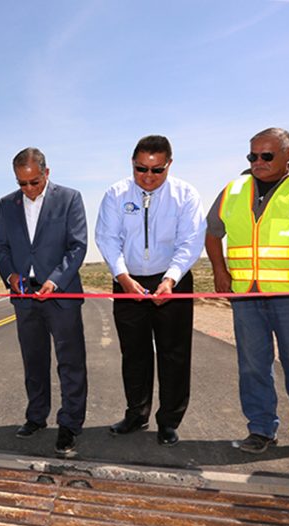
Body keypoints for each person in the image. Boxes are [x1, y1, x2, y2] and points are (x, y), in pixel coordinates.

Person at [205, 127, 289, 465]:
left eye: (266, 156)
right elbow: (212, 233)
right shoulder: (233, 188)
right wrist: (220, 272)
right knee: (253, 366)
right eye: (252, 156)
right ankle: (261, 429)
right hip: (246, 297)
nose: (258, 162)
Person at [95, 135, 206, 447]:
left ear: (169, 164)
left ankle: (169, 420)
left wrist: (170, 279)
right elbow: (107, 238)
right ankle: (136, 414)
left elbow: (190, 241)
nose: (147, 177)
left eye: (157, 171)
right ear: (132, 163)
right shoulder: (116, 194)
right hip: (128, 280)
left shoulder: (185, 195)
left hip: (172, 280)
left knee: (174, 353)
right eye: (140, 169)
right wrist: (123, 277)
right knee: (134, 352)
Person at [0, 147, 88, 457]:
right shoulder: (7, 205)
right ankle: (36, 416)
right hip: (25, 296)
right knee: (33, 361)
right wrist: (10, 276)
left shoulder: (70, 198)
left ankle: (70, 424)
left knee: (70, 363)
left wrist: (55, 279)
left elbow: (77, 246)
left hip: (60, 294)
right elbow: (1, 247)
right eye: (22, 183)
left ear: (47, 173)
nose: (29, 189)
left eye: (34, 182)